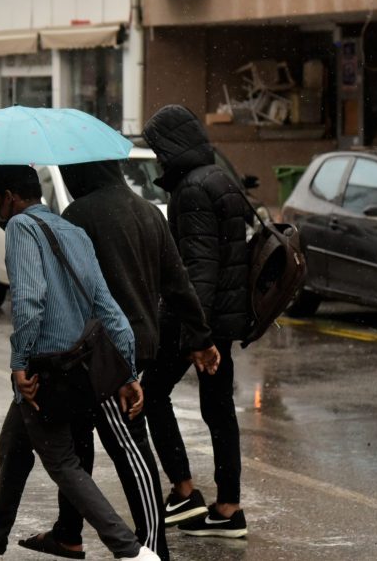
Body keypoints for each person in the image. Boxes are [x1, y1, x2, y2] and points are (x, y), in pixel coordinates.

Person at [0, 165, 160, 561]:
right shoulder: (72, 231)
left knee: (63, 463)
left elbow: (29, 300)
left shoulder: (21, 230)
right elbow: (106, 305)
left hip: (45, 370)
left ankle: (130, 552)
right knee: (14, 448)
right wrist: (127, 372)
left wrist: (19, 364)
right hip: (77, 368)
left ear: (9, 197)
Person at [17, 160, 221, 560]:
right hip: (139, 340)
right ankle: (68, 533)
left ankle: (152, 549)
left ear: (81, 175)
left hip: (102, 351)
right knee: (82, 440)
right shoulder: (148, 211)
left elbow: (65, 289)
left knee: (127, 446)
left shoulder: (79, 215)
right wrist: (200, 336)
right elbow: (177, 282)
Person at [141, 105, 252, 538]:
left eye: (157, 149)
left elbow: (200, 270)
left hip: (199, 320)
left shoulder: (191, 190)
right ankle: (227, 508)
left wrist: (197, 337)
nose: (157, 158)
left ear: (170, 146)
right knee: (219, 409)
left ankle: (185, 493)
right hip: (223, 318)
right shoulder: (220, 178)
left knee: (152, 393)